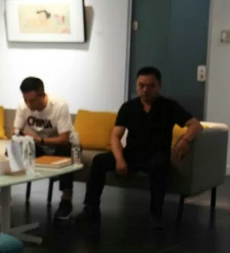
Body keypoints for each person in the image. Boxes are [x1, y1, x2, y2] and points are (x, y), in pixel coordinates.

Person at [78, 66, 202, 229]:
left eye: (150, 86)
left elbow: (196, 125)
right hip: (132, 153)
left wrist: (185, 140)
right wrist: (119, 159)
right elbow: (115, 136)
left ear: (159, 86)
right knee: (99, 161)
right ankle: (90, 208)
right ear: (136, 85)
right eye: (141, 86)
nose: (145, 90)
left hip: (157, 154)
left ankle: (156, 214)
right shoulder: (129, 107)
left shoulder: (169, 106)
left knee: (160, 166)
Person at [0, 77, 75, 219]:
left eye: (33, 100)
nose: (29, 104)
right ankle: (5, 193)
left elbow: (64, 139)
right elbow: (15, 130)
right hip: (39, 146)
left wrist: (38, 139)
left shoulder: (59, 106)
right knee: (14, 146)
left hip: (61, 146)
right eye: (26, 100)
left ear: (42, 95)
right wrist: (18, 136)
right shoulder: (23, 106)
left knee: (66, 150)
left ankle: (66, 200)